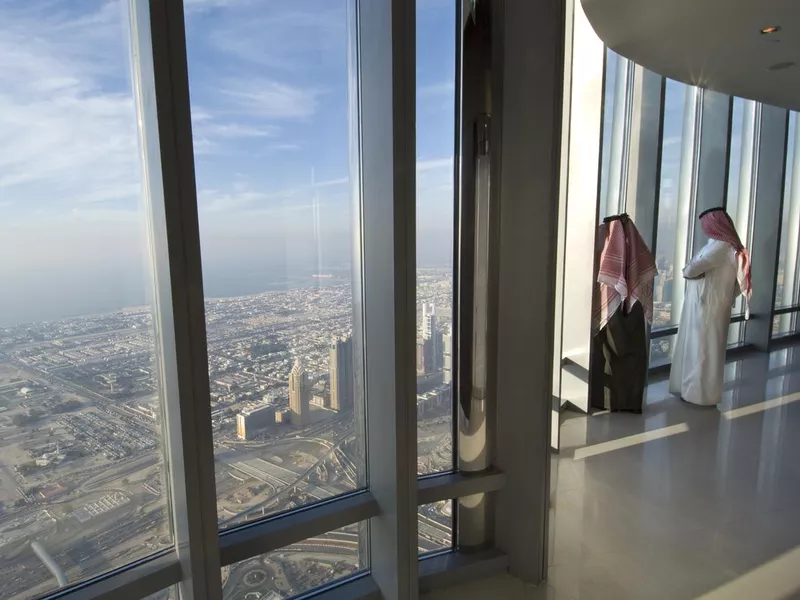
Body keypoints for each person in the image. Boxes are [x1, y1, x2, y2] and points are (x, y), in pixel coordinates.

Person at [669, 207, 752, 407]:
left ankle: (701, 396)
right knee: (701, 349)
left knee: (703, 351)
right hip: (708, 305)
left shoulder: (721, 247)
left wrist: (690, 271)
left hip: (707, 307)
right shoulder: (721, 246)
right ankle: (692, 391)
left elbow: (693, 268)